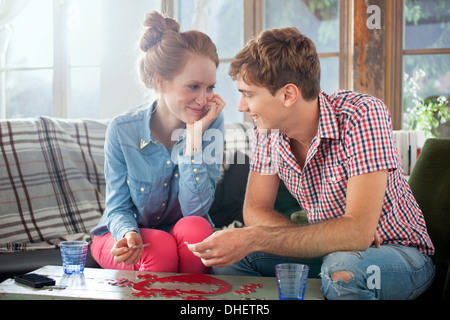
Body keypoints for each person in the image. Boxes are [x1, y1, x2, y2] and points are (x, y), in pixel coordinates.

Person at [187, 27, 435, 299]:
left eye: (249, 94)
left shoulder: (361, 114)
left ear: (288, 95)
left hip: (398, 253)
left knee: (343, 268)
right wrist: (328, 238)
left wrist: (255, 237)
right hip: (329, 254)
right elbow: (255, 211)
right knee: (231, 260)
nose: (241, 107)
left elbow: (359, 232)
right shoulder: (267, 132)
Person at [90, 11, 226, 274]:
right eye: (193, 86)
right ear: (161, 82)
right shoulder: (122, 130)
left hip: (177, 231)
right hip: (122, 234)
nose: (204, 99)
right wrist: (128, 233)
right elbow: (117, 207)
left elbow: (196, 210)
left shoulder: (209, 124)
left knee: (198, 230)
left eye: (210, 87)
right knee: (159, 247)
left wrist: (194, 138)